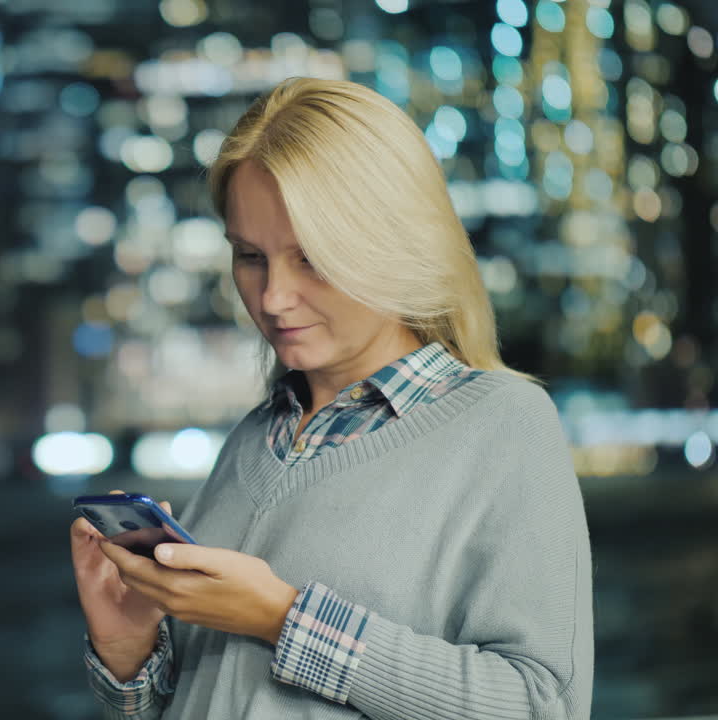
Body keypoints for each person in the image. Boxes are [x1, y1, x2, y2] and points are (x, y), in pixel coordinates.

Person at [69, 77, 593, 720]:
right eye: (249, 256)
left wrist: (282, 618)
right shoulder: (254, 438)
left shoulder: (505, 426)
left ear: (399, 244)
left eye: (313, 258)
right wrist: (128, 644)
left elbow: (544, 706)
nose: (272, 298)